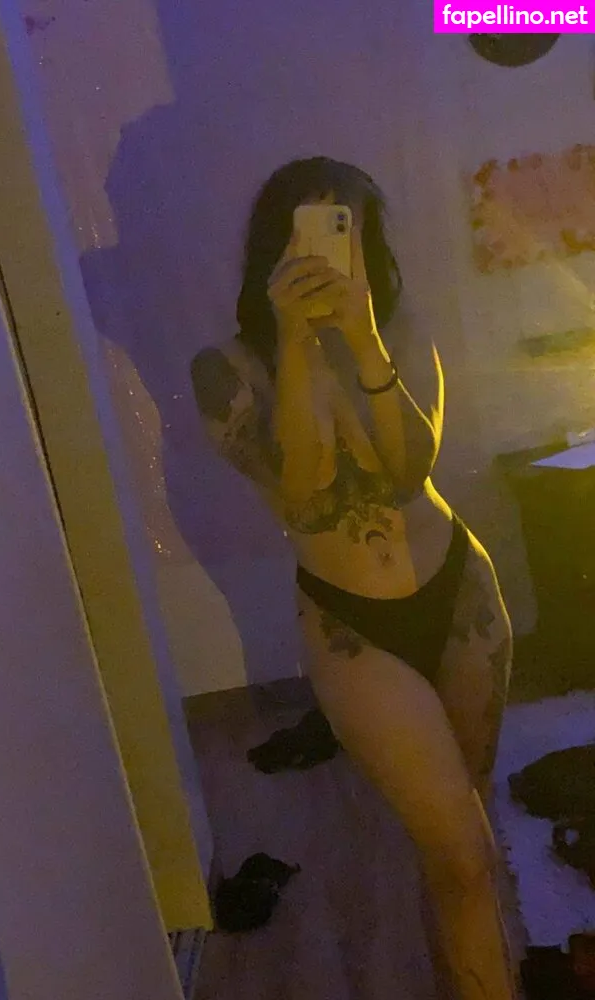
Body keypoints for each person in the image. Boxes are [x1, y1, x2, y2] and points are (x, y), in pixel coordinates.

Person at [191, 156, 516, 1000]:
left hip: (458, 589)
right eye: (308, 234)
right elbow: (302, 497)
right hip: (353, 626)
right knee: (460, 852)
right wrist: (298, 343)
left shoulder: (399, 330)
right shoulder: (228, 370)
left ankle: (466, 968)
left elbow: (411, 468)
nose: (330, 257)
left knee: (466, 835)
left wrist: (364, 339)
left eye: (348, 235)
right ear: (274, 248)